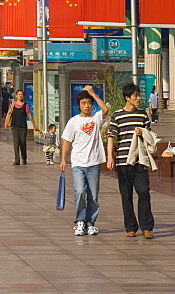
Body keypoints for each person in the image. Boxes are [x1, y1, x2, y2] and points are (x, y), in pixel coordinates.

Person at [107, 82, 155, 239]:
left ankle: (146, 227)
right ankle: (130, 227)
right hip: (123, 161)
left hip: (140, 160)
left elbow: (150, 135)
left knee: (143, 192)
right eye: (135, 96)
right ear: (127, 98)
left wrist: (143, 132)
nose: (138, 98)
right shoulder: (117, 115)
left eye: (138, 95)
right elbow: (111, 138)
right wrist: (110, 157)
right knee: (126, 195)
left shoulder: (142, 114)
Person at [60, 85, 109, 237]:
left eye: (89, 103)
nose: (87, 105)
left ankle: (90, 222)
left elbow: (105, 110)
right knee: (80, 191)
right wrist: (63, 160)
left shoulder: (96, 118)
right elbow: (67, 141)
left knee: (93, 195)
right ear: (79, 105)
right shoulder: (73, 122)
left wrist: (93, 94)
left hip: (94, 163)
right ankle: (80, 221)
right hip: (78, 163)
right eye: (83, 103)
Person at [5, 89, 38, 165]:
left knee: (22, 143)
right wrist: (6, 123)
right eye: (18, 94)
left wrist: (34, 126)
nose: (20, 96)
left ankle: (24, 158)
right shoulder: (12, 105)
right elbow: (9, 114)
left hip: (23, 126)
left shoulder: (25, 105)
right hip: (15, 126)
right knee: (16, 143)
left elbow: (30, 116)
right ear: (16, 96)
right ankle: (17, 160)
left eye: (21, 94)